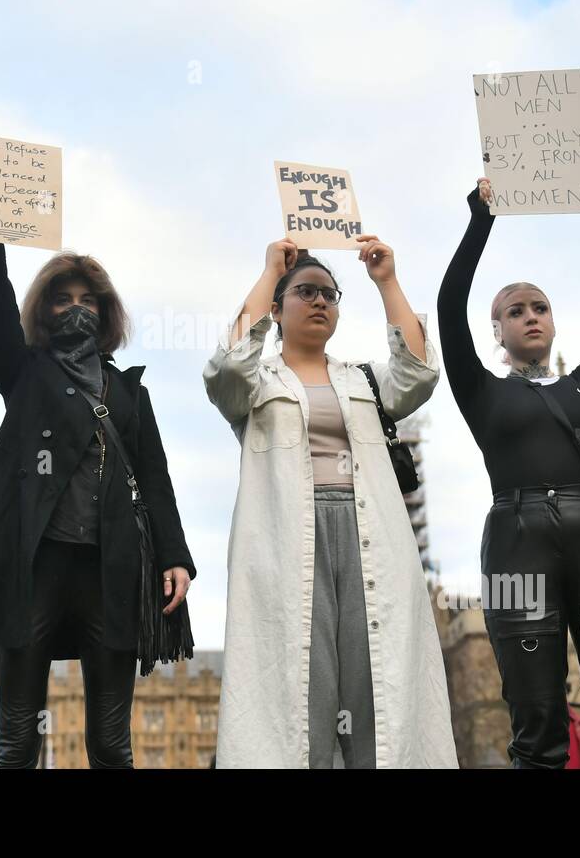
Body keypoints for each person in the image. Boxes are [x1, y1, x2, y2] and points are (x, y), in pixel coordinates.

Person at [0, 153, 197, 768]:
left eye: (88, 298)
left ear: (106, 312)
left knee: (110, 742)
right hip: (34, 563)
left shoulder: (130, 392)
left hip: (112, 567)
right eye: (61, 298)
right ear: (44, 310)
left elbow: (156, 482)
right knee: (18, 739)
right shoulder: (25, 375)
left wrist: (176, 557)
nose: (75, 307)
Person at [436, 175, 580, 768]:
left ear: (554, 322)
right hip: (518, 543)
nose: (531, 316)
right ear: (499, 333)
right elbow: (447, 306)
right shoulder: (482, 392)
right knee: (538, 732)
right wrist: (480, 221)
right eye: (515, 311)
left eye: (540, 307)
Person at [203, 233, 457, 768]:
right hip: (288, 542)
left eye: (330, 293)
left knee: (376, 691)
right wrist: (271, 269)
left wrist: (385, 280)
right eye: (305, 291)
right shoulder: (255, 383)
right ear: (276, 309)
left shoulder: (363, 379)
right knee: (301, 691)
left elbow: (419, 373)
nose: (320, 300)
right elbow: (226, 367)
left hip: (370, 543)